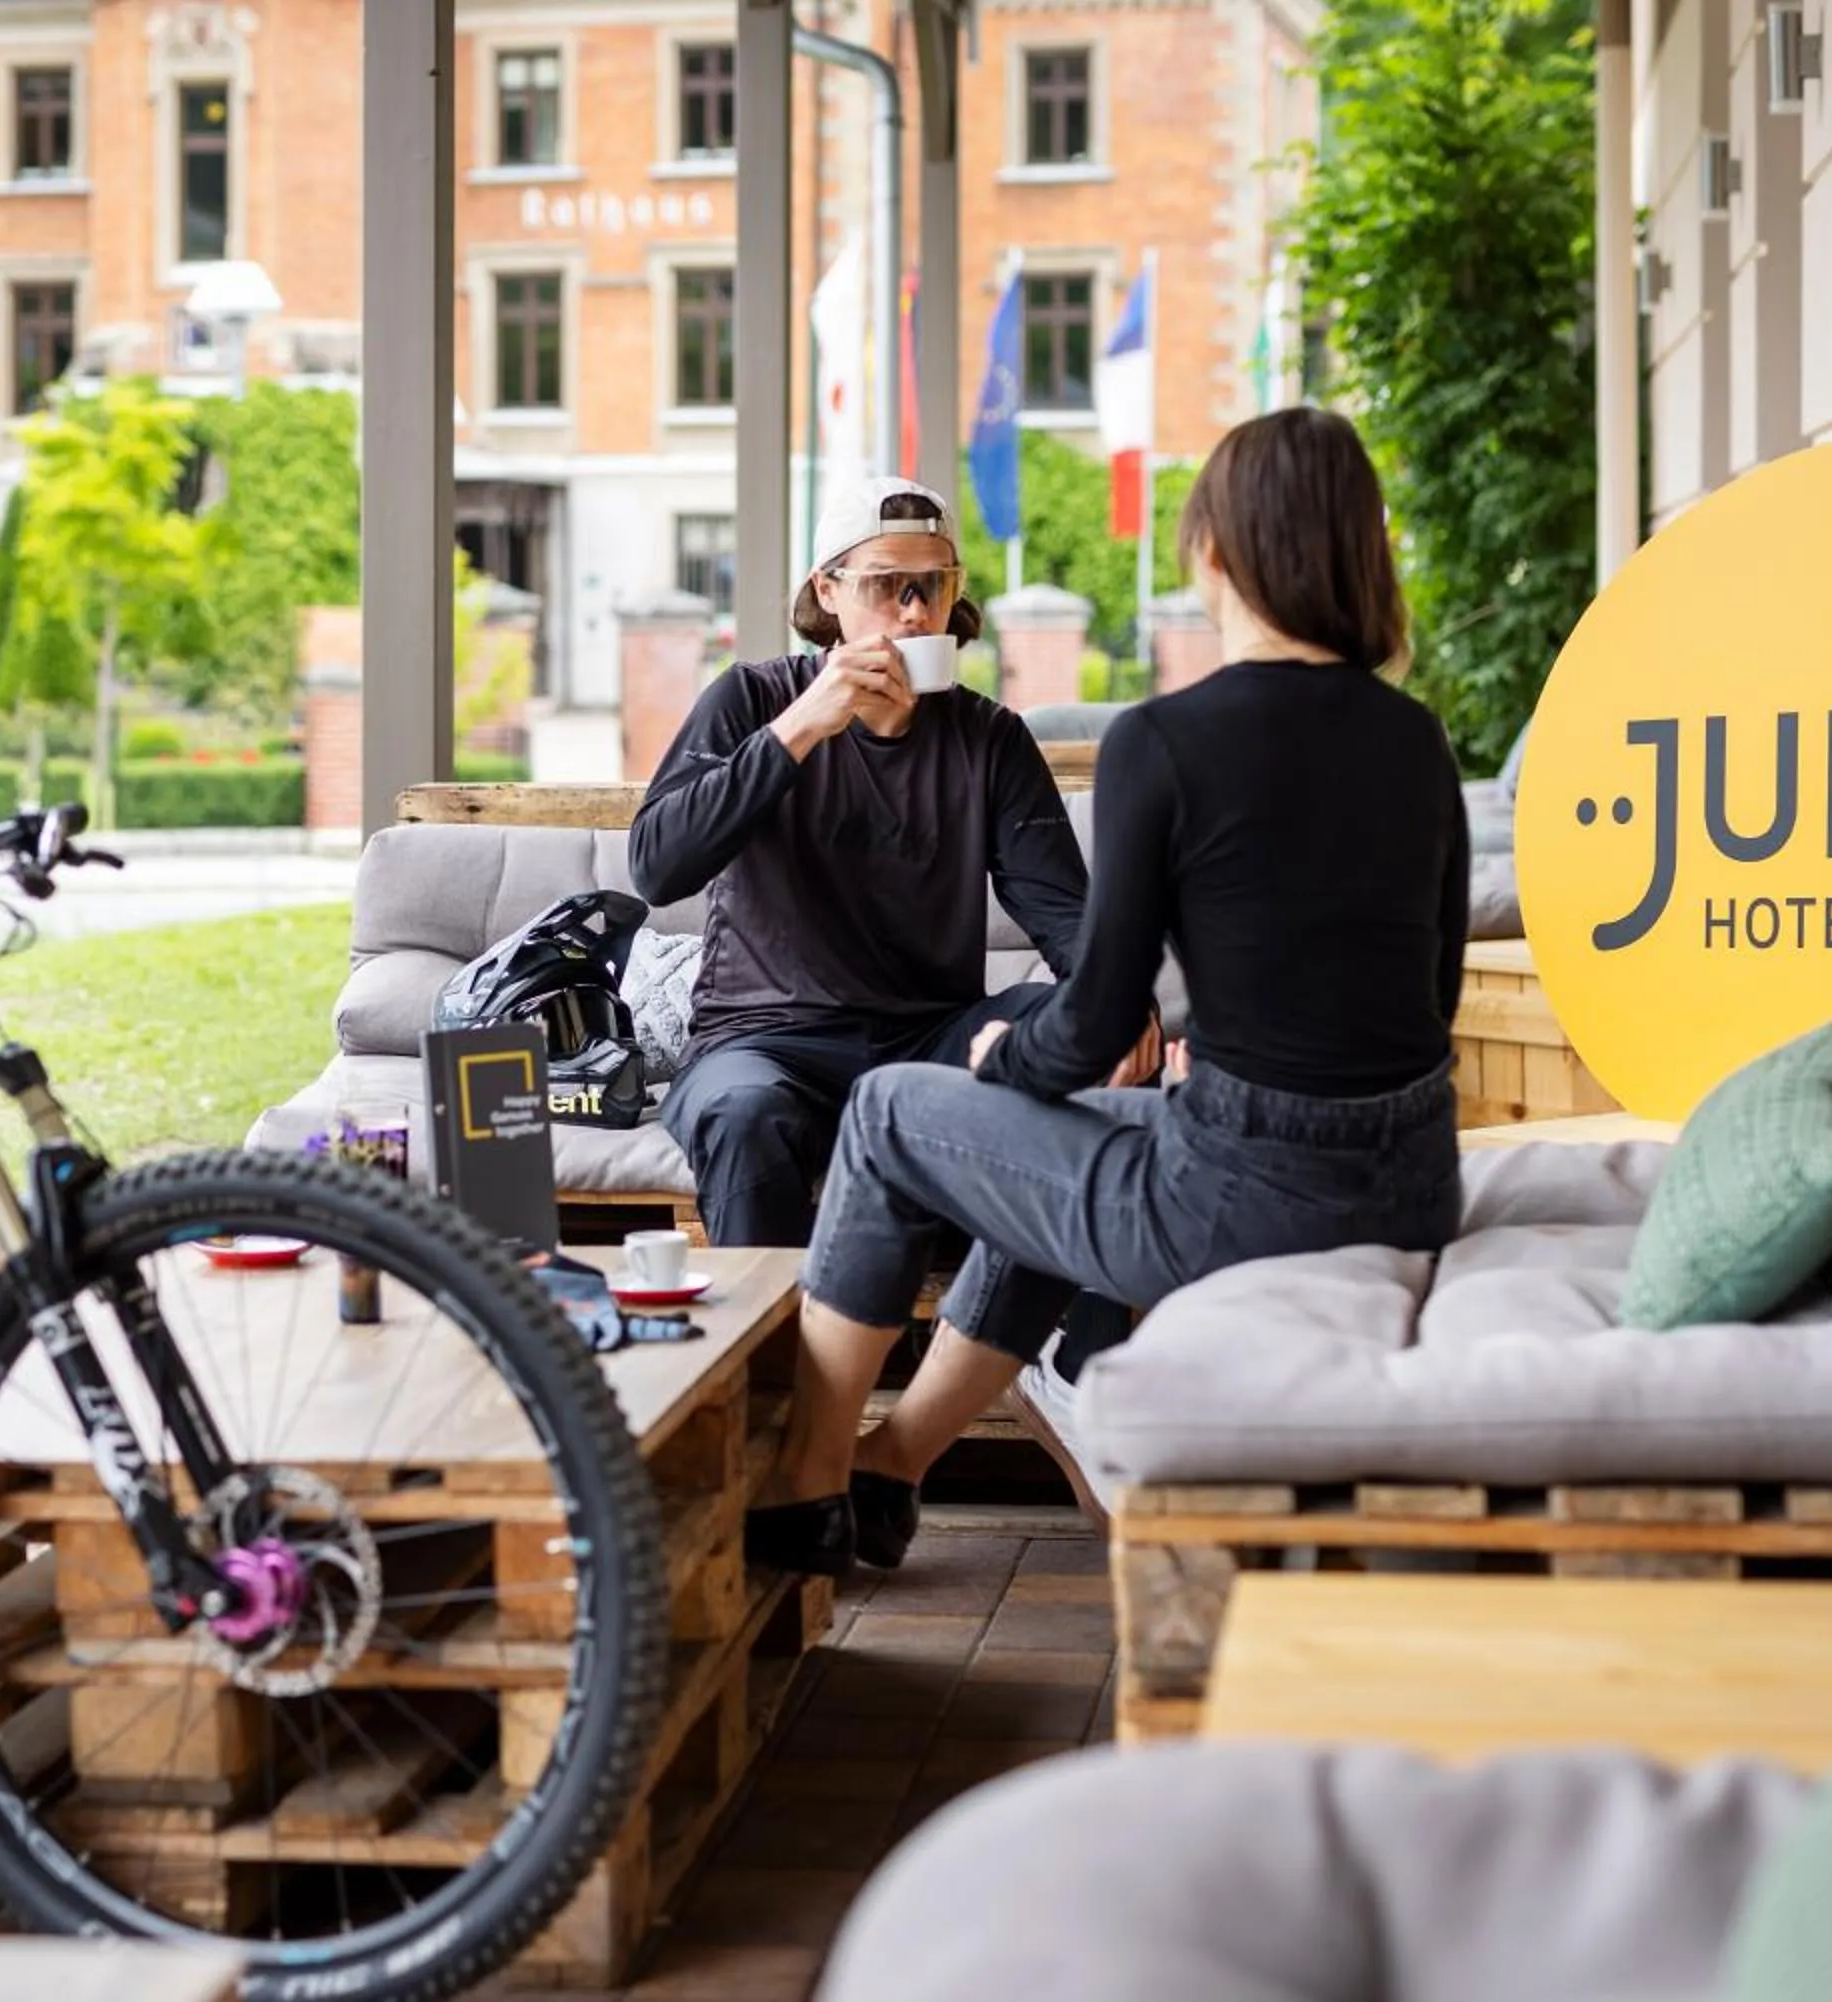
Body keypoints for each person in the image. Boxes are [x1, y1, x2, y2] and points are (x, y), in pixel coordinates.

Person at [745, 407, 1473, 1577]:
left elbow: (1090, 1017)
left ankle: (803, 1486)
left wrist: (1005, 1064)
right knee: (1073, 1141)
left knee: (889, 1110)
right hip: (1407, 1180)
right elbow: (1429, 999)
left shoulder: (1167, 741)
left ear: (1220, 557)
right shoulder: (1418, 741)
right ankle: (892, 1467)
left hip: (1242, 1195)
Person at [631, 475, 1164, 1561]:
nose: (914, 615)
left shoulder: (985, 738)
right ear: (829, 595)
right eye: (886, 588)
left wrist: (1119, 1008)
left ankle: (1066, 1362)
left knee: (1081, 1053)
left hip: (924, 1033)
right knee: (743, 1116)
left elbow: (1066, 920)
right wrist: (800, 729)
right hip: (760, 1035)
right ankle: (781, 1441)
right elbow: (656, 863)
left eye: (933, 589)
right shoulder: (750, 701)